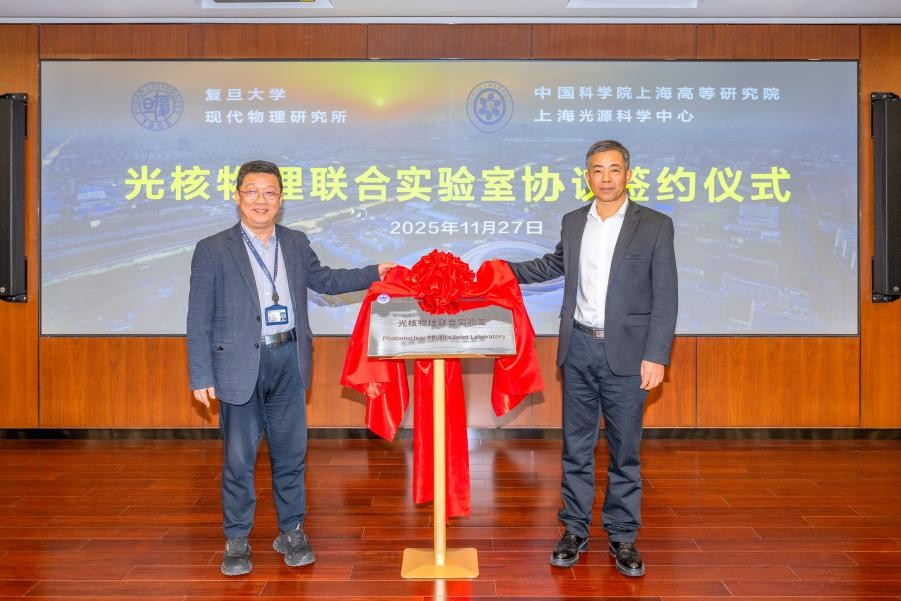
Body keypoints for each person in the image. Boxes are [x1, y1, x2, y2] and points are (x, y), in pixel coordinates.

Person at [186, 159, 394, 576]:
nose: (261, 200)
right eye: (252, 191)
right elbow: (198, 316)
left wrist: (375, 273)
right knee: (239, 460)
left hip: (289, 359)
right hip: (238, 366)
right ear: (237, 197)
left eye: (270, 192)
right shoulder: (212, 248)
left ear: (281, 200)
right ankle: (237, 539)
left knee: (291, 457)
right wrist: (201, 374)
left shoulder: (296, 242)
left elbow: (326, 281)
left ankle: (292, 531)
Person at [505, 140, 677, 577]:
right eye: (597, 170)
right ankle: (574, 530)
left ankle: (623, 536)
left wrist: (656, 355)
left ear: (628, 175)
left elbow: (666, 296)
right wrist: (500, 271)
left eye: (614, 169)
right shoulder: (573, 221)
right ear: (587, 176)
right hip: (579, 347)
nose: (606, 178)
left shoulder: (655, 225)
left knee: (624, 452)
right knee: (576, 448)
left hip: (629, 354)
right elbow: (551, 266)